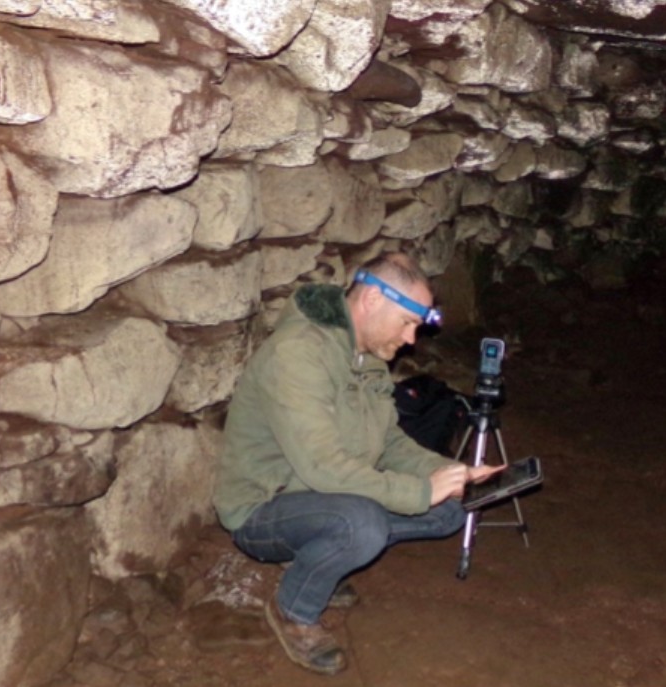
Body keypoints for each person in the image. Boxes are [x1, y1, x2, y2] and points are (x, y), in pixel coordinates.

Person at [212, 252, 501, 675]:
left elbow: (389, 443)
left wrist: (447, 473)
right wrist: (419, 491)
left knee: (451, 510)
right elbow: (323, 467)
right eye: (407, 322)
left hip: (317, 496)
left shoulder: (367, 359)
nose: (411, 339)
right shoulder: (298, 356)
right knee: (362, 525)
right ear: (370, 301)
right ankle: (295, 609)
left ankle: (314, 554)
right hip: (263, 508)